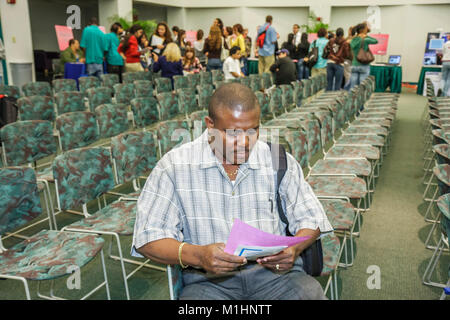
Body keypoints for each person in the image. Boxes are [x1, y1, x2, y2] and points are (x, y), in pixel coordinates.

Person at [131, 82, 333, 300]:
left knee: (310, 295)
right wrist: (199, 256)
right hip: (208, 283)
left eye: (253, 130)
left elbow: (312, 219)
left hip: (276, 277)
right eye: (233, 133)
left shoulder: (277, 160)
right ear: (210, 125)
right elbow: (147, 238)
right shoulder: (175, 167)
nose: (245, 142)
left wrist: (294, 249)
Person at [349, 23, 378, 89]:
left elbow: (351, 46)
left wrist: (358, 35)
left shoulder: (353, 39)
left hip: (354, 65)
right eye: (365, 28)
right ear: (363, 30)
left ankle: (352, 98)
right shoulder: (365, 39)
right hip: (364, 65)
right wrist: (366, 36)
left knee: (353, 87)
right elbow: (376, 41)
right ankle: (360, 99)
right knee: (362, 87)